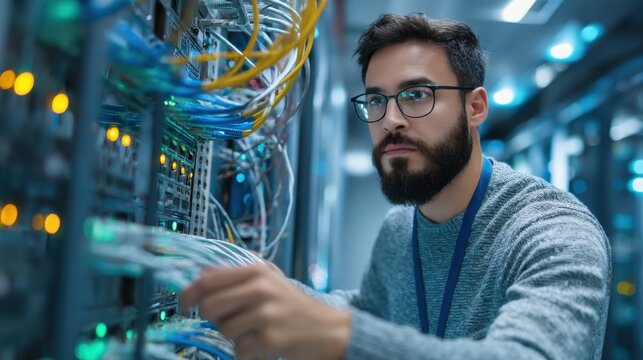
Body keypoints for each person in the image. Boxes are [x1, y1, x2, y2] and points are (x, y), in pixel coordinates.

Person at [181, 13, 611, 360]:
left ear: (475, 106)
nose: (390, 119)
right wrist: (279, 290)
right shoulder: (400, 228)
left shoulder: (554, 232)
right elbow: (370, 312)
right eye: (375, 99)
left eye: (417, 94)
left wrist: (339, 337)